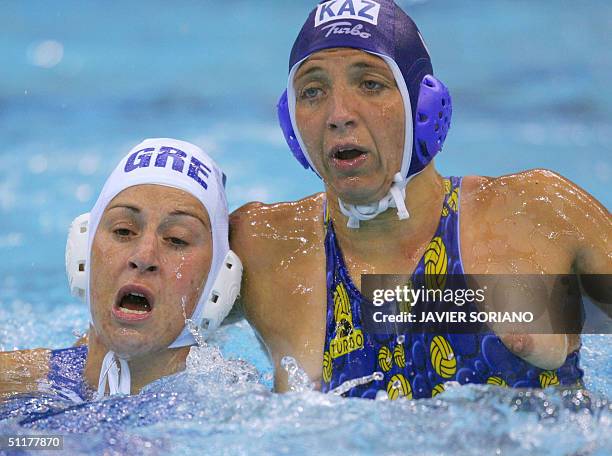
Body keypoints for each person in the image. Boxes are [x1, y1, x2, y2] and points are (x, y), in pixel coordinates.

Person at [230, 0, 611, 398]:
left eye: (371, 84)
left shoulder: (537, 215)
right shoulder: (263, 248)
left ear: (423, 105)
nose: (338, 113)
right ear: (289, 120)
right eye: (312, 91)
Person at [0, 138, 241, 402]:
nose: (144, 256)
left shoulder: (236, 411)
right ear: (82, 253)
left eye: (176, 239)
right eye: (123, 231)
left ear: (219, 278)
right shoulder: (13, 382)